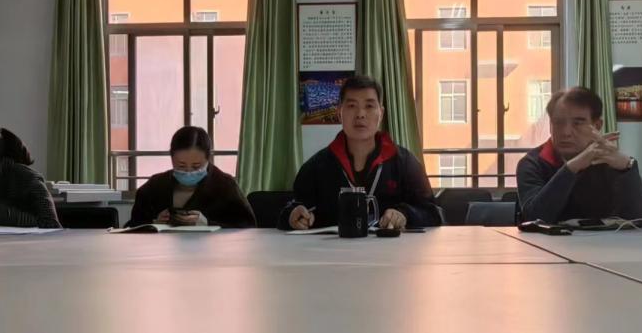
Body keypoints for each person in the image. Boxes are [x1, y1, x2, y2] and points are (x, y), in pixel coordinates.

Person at [278, 75, 441, 230]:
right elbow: (289, 211)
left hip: (390, 249)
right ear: (339, 113)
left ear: (381, 113)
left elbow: (433, 213)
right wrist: (293, 216)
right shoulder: (316, 166)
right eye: (351, 106)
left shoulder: (404, 162)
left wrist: (405, 215)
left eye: (369, 106)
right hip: (332, 250)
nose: (360, 114)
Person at [516, 87, 642, 224]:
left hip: (603, 238)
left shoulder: (608, 162)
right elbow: (534, 218)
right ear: (550, 125)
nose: (566, 132)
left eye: (577, 123)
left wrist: (628, 168)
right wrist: (573, 167)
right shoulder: (532, 163)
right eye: (558, 123)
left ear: (597, 125)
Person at [127, 126, 255, 228]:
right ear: (171, 158)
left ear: (208, 159)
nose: (188, 172)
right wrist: (154, 223)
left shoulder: (225, 185)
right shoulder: (154, 186)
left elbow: (248, 226)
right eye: (181, 165)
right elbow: (132, 226)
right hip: (163, 250)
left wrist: (208, 223)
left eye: (196, 166)